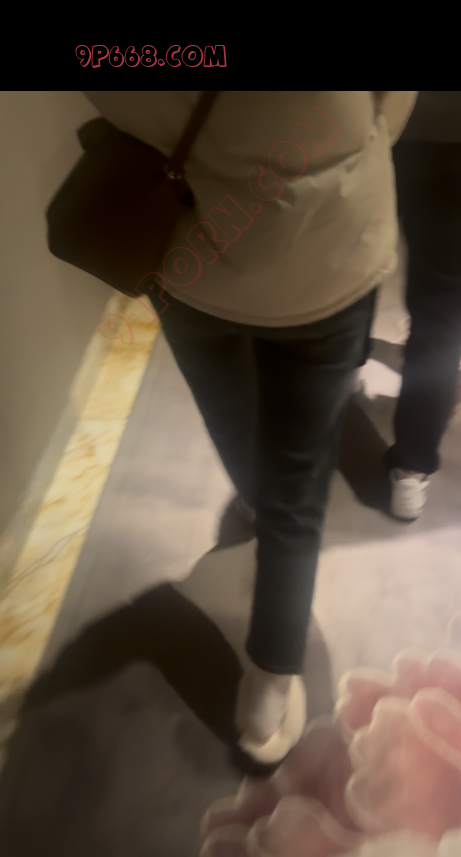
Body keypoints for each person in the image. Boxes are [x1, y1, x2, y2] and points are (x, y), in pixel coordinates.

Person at [85, 91, 417, 763]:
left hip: (191, 261)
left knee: (230, 419)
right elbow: (390, 116)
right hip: (328, 262)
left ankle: (257, 502)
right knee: (299, 476)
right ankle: (268, 684)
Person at [360, 92, 461, 520]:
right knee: (443, 307)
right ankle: (412, 468)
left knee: (357, 266)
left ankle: (341, 373)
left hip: (381, 120)